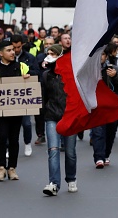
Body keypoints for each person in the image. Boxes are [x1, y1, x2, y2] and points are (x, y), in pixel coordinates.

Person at [0, 40, 31, 181]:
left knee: (14, 139)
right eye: (9, 50)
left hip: (16, 109)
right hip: (1, 110)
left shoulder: (21, 66)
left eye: (13, 50)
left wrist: (27, 79)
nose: (12, 52)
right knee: (2, 137)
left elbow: (32, 82)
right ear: (1, 53)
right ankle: (1, 168)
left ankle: (12, 168)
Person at [41, 44, 78, 196]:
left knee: (69, 152)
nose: (49, 56)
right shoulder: (46, 75)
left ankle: (71, 178)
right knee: (53, 150)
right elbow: (42, 97)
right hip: (52, 116)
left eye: (53, 53)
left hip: (69, 117)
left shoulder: (70, 73)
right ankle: (54, 183)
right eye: (48, 53)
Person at [92, 43, 118, 168]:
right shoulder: (90, 70)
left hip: (112, 106)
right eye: (99, 55)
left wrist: (115, 76)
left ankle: (106, 155)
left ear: (106, 56)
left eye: (103, 55)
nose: (101, 57)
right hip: (97, 106)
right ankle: (98, 158)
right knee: (98, 132)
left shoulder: (113, 69)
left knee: (110, 132)